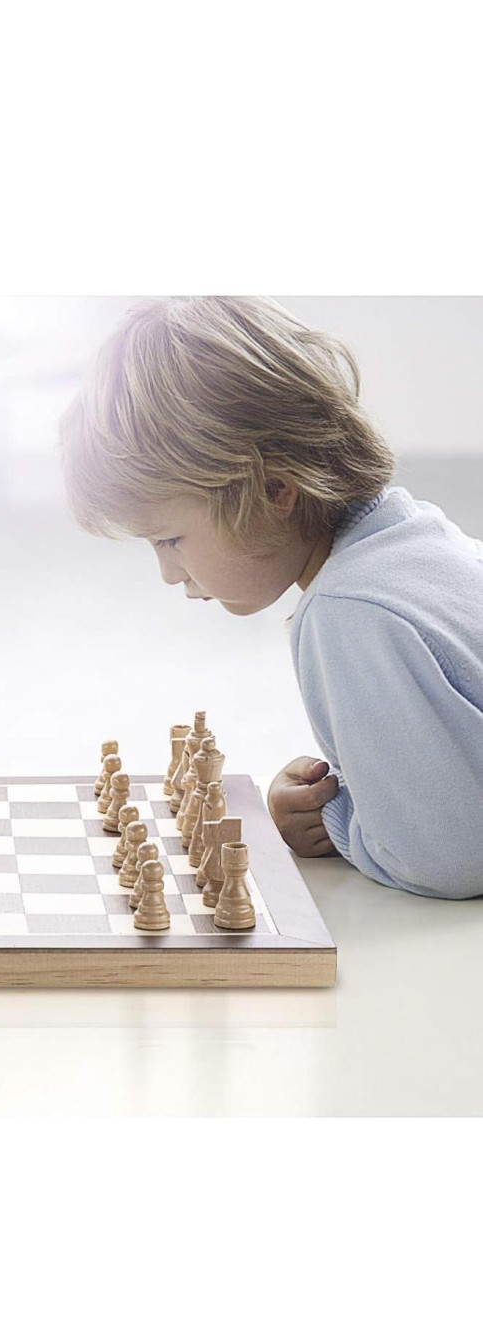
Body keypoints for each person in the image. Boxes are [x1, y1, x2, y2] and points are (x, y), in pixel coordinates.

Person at [60, 296, 483, 899]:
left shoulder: (347, 613)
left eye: (170, 539)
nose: (168, 573)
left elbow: (448, 859)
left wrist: (335, 819)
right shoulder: (420, 542)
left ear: (273, 492)